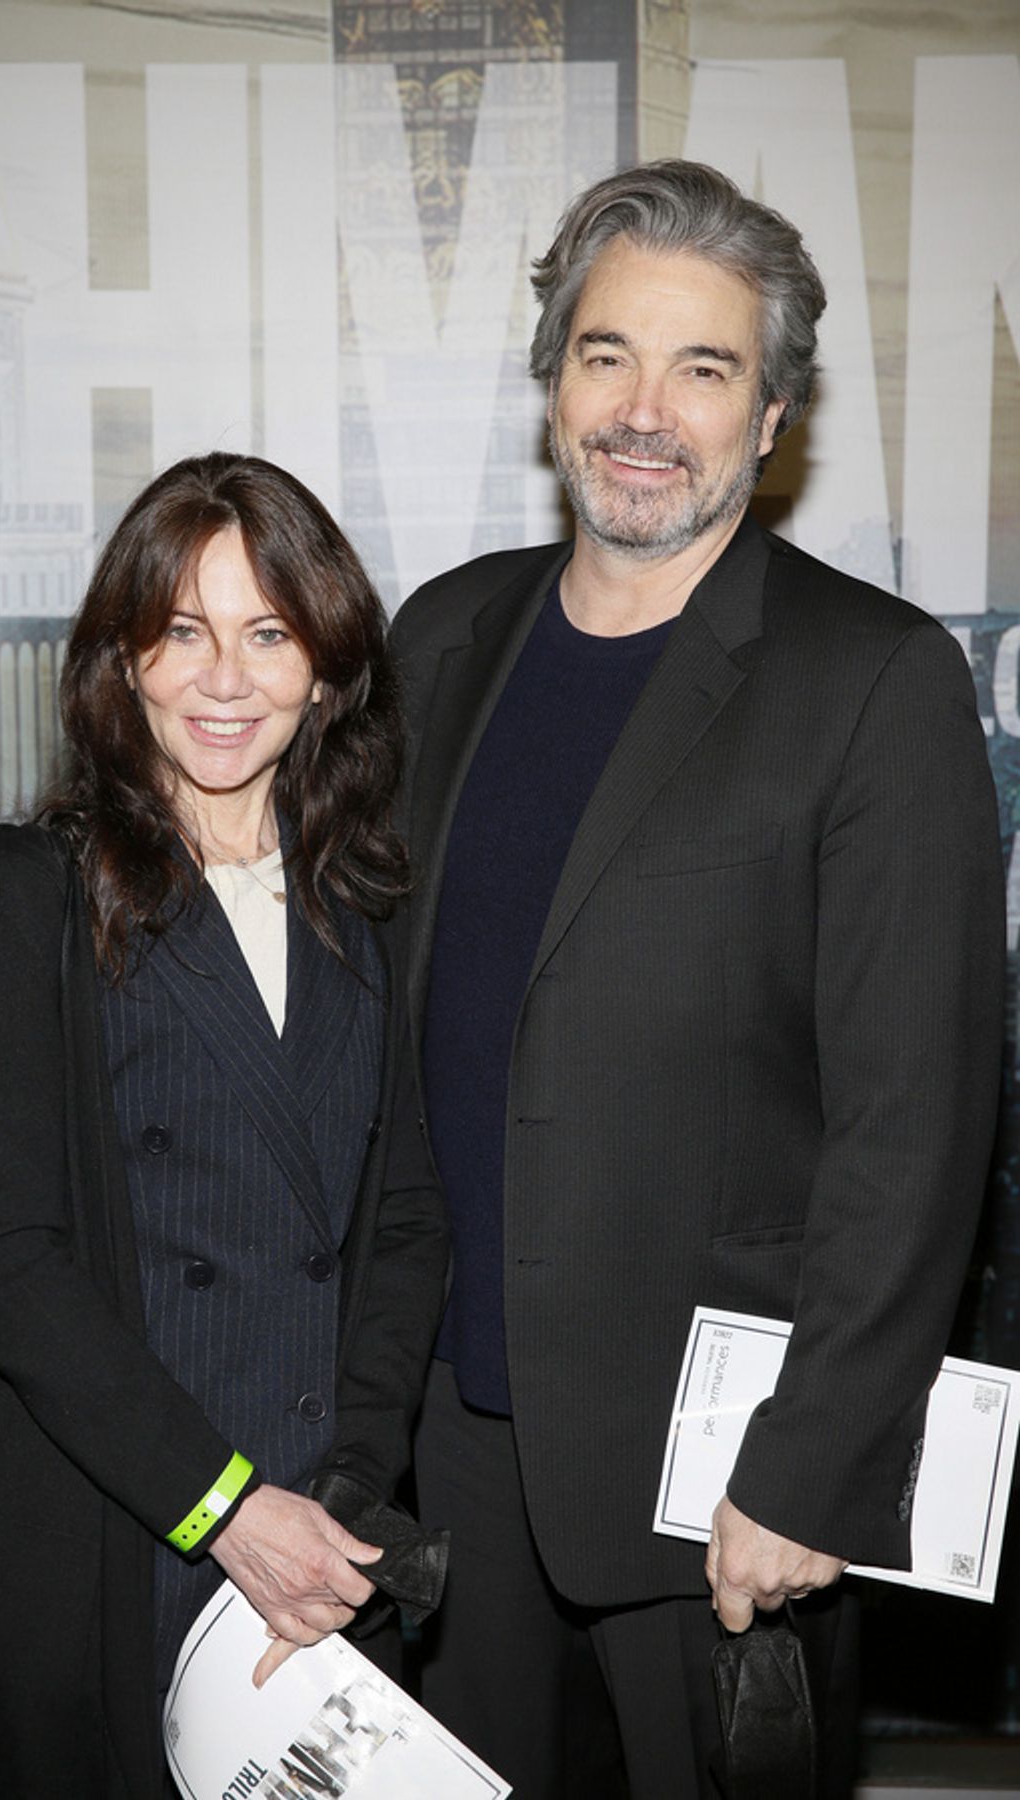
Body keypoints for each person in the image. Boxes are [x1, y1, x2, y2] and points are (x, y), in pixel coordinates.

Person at [383, 161, 1004, 1797]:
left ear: (775, 414)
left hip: (720, 1481)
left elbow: (916, 1127)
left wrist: (814, 1465)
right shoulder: (441, 640)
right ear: (550, 384)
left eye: (704, 369)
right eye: (607, 356)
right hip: (445, 1453)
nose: (644, 411)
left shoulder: (872, 682)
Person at [0, 452, 448, 1796]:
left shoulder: (374, 904)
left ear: (328, 669)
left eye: (270, 634)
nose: (225, 680)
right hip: (110, 1524)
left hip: (316, 1556)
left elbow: (402, 1224)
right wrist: (225, 1511)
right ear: (124, 660)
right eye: (183, 632)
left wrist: (343, 1506)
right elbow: (3, 1258)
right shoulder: (19, 894)